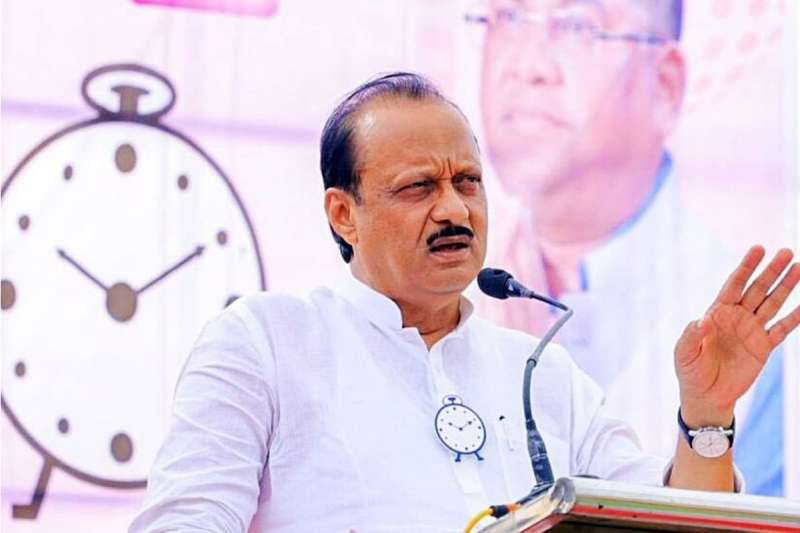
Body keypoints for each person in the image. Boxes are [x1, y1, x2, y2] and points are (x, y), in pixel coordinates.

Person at [129, 73, 800, 533]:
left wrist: (707, 413)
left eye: (468, 182)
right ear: (343, 213)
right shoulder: (266, 342)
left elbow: (674, 526)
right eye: (418, 187)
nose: (454, 209)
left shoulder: (543, 372)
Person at [476, 0, 785, 494]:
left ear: (665, 85)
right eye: (508, 18)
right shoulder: (458, 291)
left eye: (577, 26)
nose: (528, 65)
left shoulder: (753, 331)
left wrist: (707, 417)